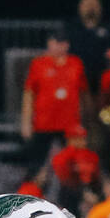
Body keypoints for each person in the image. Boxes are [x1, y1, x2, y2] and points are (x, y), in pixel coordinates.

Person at [22, 32, 89, 172]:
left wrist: (83, 122)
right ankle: (31, 192)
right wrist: (26, 121)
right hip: (44, 123)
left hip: (70, 125)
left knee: (71, 166)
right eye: (55, 42)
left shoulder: (76, 63)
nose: (59, 46)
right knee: (37, 165)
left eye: (62, 43)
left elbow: (83, 94)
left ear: (67, 45)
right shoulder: (38, 64)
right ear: (49, 44)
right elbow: (29, 94)